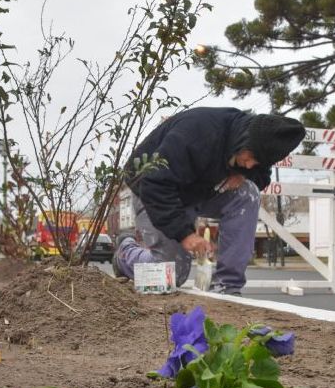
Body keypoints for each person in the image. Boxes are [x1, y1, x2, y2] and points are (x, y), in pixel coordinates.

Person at [113, 107, 305, 295]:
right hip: (154, 193)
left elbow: (261, 175)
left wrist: (244, 175)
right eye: (251, 158)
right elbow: (154, 184)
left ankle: (227, 285)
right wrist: (185, 234)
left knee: (248, 193)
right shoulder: (196, 134)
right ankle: (125, 253)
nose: (250, 165)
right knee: (170, 276)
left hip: (199, 192)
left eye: (258, 163)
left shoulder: (258, 147)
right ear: (244, 140)